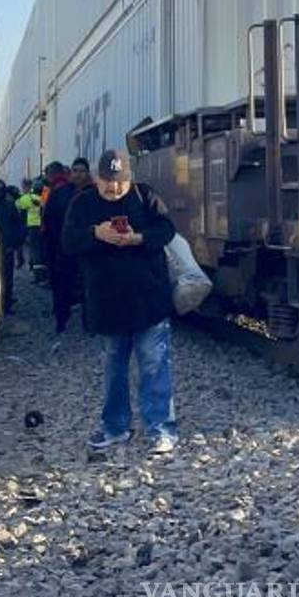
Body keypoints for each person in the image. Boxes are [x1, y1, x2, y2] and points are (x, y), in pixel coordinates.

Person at [62, 149, 178, 455]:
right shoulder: (83, 203)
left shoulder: (146, 197)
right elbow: (67, 241)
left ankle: (161, 429)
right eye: (107, 184)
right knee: (114, 367)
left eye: (119, 184)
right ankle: (115, 427)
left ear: (129, 179)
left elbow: (167, 229)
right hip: (107, 302)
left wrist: (139, 238)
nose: (113, 190)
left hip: (148, 298)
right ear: (97, 179)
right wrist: (95, 233)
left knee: (155, 364)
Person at [44, 157, 92, 332]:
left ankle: (90, 322)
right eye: (76, 171)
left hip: (88, 249)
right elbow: (48, 221)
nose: (79, 174)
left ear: (87, 174)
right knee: (62, 286)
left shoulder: (94, 194)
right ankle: (61, 319)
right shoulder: (59, 194)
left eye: (82, 171)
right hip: (63, 248)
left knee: (89, 286)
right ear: (71, 173)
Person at [0, 180, 26, 315]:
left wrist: (16, 246)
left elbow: (18, 227)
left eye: (0, 190)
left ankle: (6, 304)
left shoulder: (9, 206)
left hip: (6, 248)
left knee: (6, 278)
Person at [16, 180, 45, 280]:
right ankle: (40, 272)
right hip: (40, 226)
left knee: (31, 249)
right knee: (38, 249)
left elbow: (18, 210)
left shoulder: (24, 198)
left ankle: (33, 271)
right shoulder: (39, 198)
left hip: (30, 226)